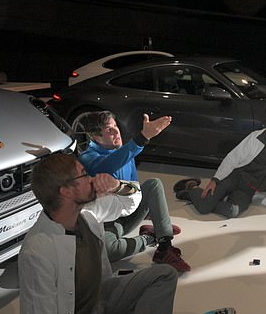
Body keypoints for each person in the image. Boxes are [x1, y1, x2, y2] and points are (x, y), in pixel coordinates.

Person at [18, 152, 177, 314]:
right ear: (65, 191)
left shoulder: (89, 215)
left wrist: (116, 186)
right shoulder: (37, 251)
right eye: (84, 175)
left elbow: (133, 201)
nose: (92, 179)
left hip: (100, 298)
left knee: (164, 275)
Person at [78, 111, 191, 272]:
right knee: (108, 253)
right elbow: (108, 164)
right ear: (96, 137)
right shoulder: (88, 157)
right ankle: (150, 237)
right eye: (109, 130)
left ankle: (165, 246)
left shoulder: (124, 152)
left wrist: (148, 211)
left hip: (127, 212)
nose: (116, 131)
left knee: (154, 184)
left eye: (115, 126)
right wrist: (142, 137)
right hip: (107, 222)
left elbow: (135, 188)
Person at [181, 106, 266, 218]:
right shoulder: (256, 137)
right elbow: (233, 157)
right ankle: (192, 186)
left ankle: (204, 198)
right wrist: (215, 179)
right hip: (235, 177)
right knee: (204, 208)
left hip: (248, 189)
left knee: (232, 211)